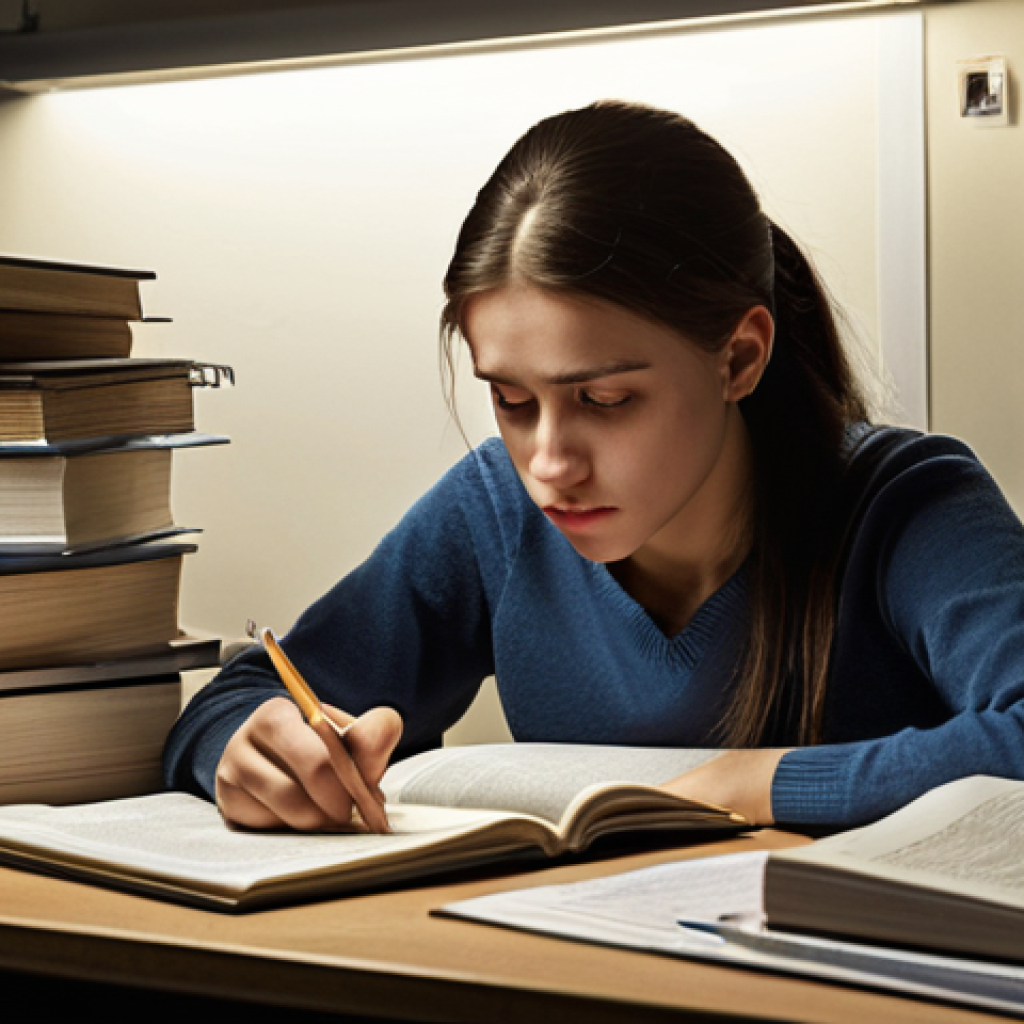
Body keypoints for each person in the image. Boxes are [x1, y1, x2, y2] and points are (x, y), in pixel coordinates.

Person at [164, 100, 1024, 833]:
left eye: (605, 399)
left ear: (739, 358)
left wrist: (752, 782)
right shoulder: (495, 511)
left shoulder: (904, 505)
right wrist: (249, 745)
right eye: (511, 399)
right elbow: (241, 697)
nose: (548, 463)